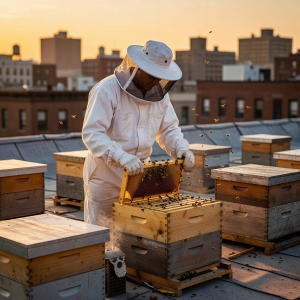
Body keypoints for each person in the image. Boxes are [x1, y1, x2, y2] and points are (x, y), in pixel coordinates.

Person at [82, 40, 195, 244]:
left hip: (138, 177)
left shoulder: (160, 96)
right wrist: (121, 156)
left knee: (133, 234)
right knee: (102, 235)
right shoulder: (106, 90)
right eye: (152, 75)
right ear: (137, 68)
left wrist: (181, 148)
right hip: (106, 175)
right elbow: (92, 133)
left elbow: (168, 129)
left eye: (160, 77)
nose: (156, 81)